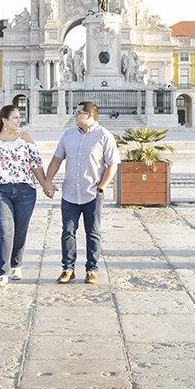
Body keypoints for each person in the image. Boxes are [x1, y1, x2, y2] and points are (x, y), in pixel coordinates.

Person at [0, 105, 54, 287]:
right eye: (16, 118)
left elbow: (36, 165)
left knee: (20, 229)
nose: (19, 121)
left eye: (20, 118)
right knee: (3, 231)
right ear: (4, 120)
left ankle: (16, 264)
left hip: (25, 190)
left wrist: (45, 186)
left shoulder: (25, 138)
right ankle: (3, 272)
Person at [46, 101, 119, 284]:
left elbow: (112, 165)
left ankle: (92, 270)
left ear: (89, 115)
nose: (74, 115)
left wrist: (101, 187)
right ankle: (68, 269)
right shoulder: (68, 134)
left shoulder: (105, 136)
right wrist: (48, 181)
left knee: (92, 232)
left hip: (92, 193)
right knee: (68, 231)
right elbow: (56, 160)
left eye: (78, 112)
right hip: (69, 193)